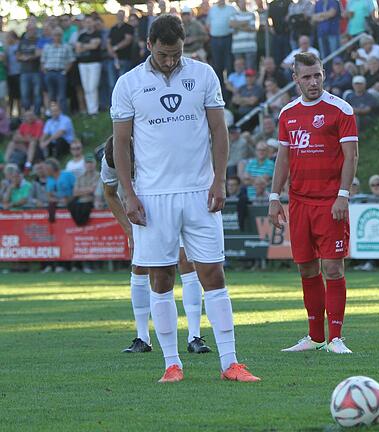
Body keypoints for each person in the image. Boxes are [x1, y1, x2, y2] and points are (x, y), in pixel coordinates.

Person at [111, 14, 259, 383]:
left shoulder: (204, 75)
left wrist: (220, 180)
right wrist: (129, 194)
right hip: (152, 195)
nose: (170, 60)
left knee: (213, 273)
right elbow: (121, 145)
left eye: (176, 53)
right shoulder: (128, 84)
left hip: (199, 191)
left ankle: (230, 363)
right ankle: (171, 364)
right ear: (149, 46)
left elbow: (218, 131)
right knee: (160, 277)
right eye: (163, 54)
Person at [269, 52, 359, 354]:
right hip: (299, 204)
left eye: (317, 75)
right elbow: (283, 158)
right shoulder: (288, 113)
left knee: (333, 268)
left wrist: (342, 195)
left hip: (330, 203)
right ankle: (315, 337)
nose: (313, 82)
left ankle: (336, 338)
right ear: (295, 79)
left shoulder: (340, 109)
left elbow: (351, 156)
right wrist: (274, 197)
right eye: (306, 77)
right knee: (307, 270)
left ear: (324, 74)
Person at [100, 136, 213, 354]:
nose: (130, 174)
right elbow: (109, 193)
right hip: (144, 213)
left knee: (185, 261)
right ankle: (142, 337)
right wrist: (129, 230)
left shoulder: (155, 148)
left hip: (173, 202)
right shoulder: (110, 159)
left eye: (131, 168)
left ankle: (194, 336)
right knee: (139, 266)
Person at [41, 27, 76, 112]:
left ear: (62, 36)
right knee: (51, 94)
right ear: (52, 36)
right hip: (49, 73)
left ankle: (62, 113)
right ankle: (52, 113)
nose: (57, 37)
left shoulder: (66, 46)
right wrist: (45, 72)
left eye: (59, 35)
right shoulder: (47, 47)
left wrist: (64, 72)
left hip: (60, 73)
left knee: (61, 95)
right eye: (55, 35)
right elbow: (42, 61)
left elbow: (71, 60)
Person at [75, 16, 103, 116]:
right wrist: (88, 46)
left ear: (93, 23)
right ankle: (90, 110)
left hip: (94, 63)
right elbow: (77, 49)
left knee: (92, 87)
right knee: (86, 88)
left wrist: (83, 46)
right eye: (86, 22)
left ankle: (94, 110)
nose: (88, 24)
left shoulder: (97, 34)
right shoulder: (81, 35)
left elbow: (95, 46)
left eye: (90, 22)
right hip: (82, 64)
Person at [107, 10, 135, 90]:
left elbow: (128, 40)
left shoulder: (128, 27)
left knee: (123, 84)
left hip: (124, 59)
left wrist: (115, 48)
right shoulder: (113, 28)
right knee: (112, 84)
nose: (120, 17)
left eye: (122, 15)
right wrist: (110, 51)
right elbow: (108, 41)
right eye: (118, 15)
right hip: (112, 59)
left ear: (124, 16)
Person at [230, 0, 259, 70]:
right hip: (237, 48)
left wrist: (237, 25)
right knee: (239, 70)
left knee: (249, 70)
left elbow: (253, 28)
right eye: (240, 1)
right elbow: (231, 25)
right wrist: (246, 22)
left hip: (250, 47)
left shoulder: (253, 14)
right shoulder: (234, 15)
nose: (242, 3)